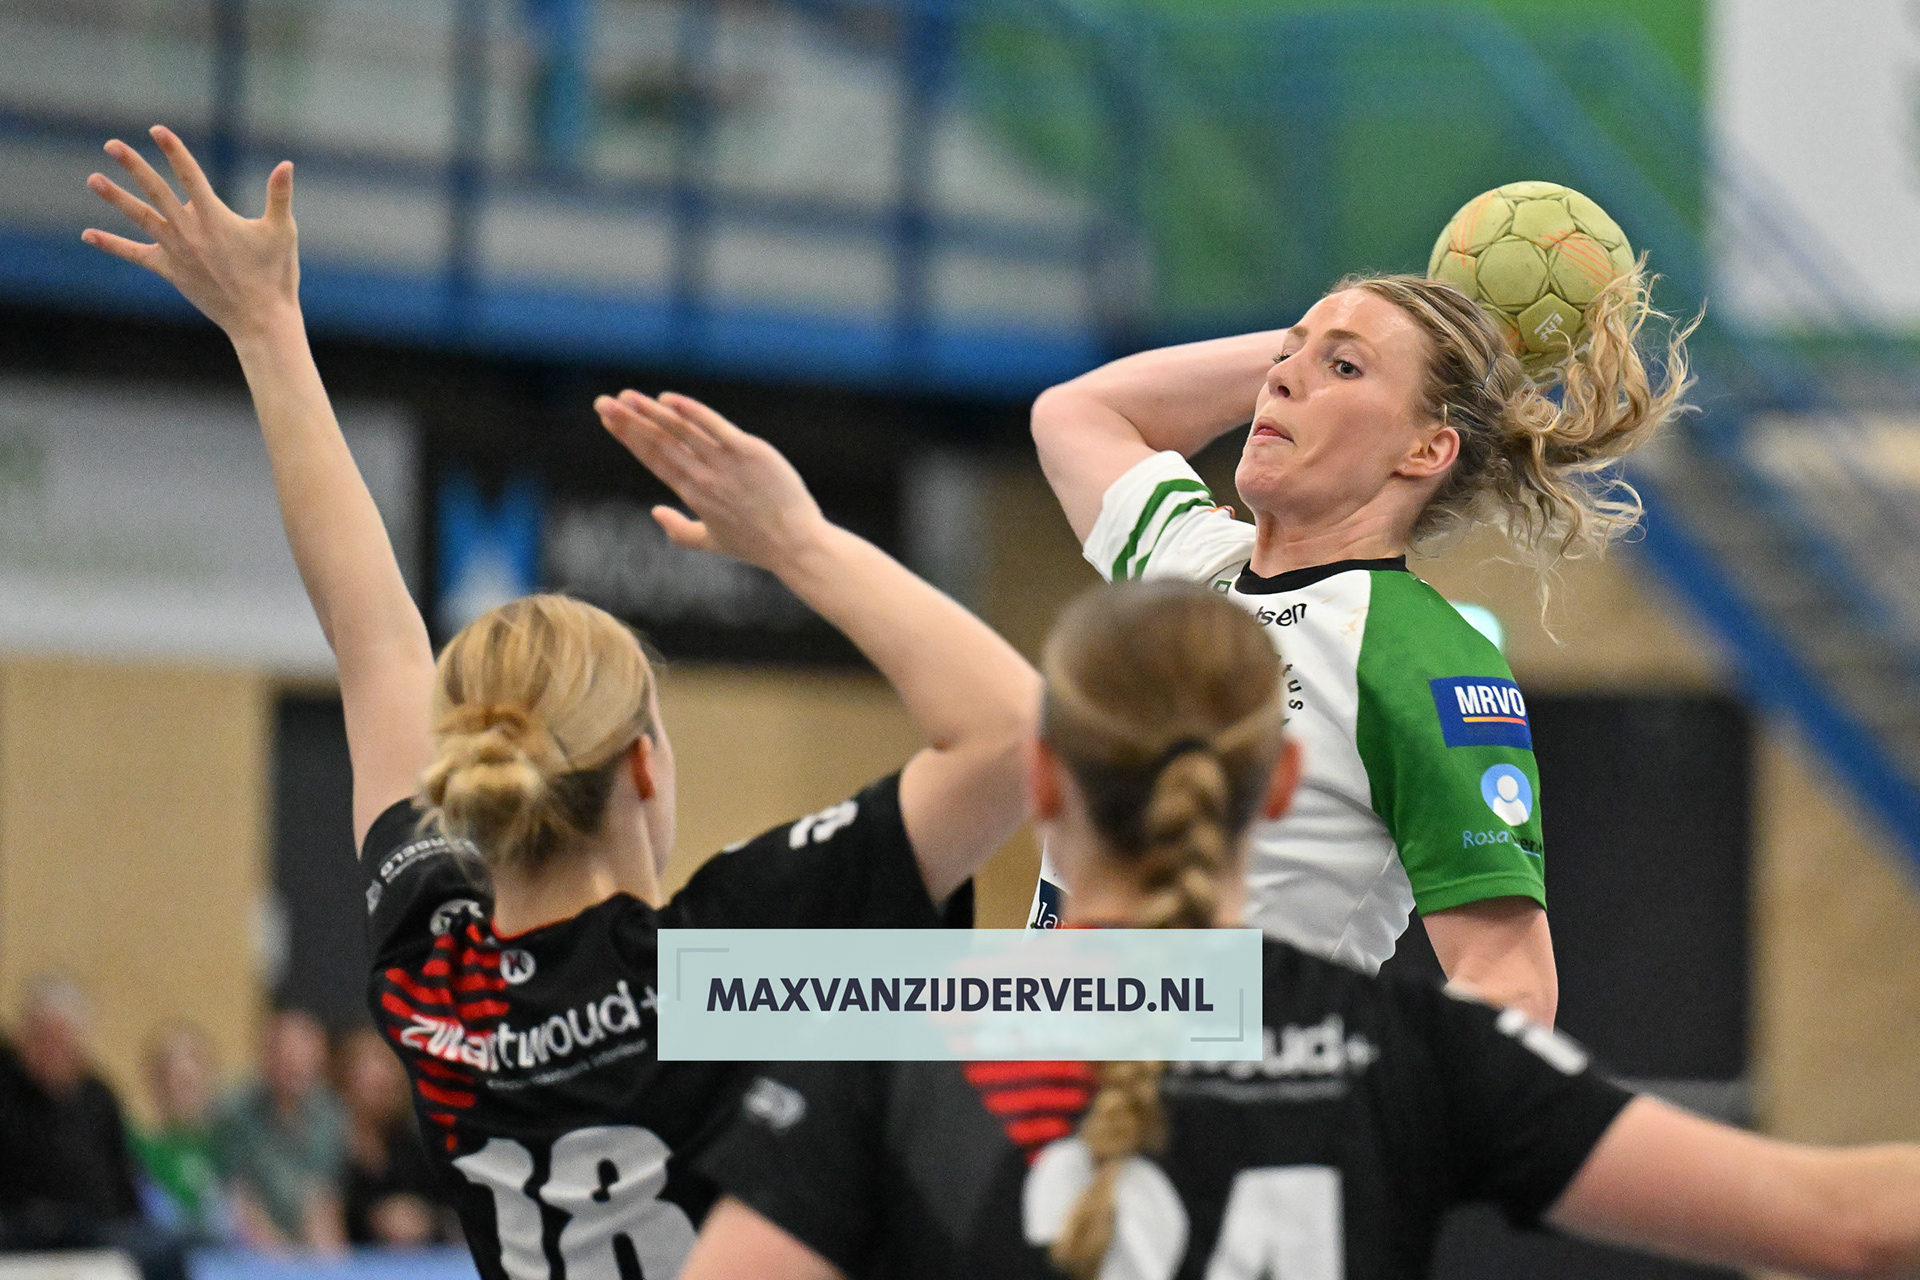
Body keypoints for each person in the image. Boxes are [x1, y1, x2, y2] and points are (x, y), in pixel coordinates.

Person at [83, 126, 1038, 1280]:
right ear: (641, 763)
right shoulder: (721, 970)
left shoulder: (439, 985)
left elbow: (375, 644)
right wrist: (799, 539)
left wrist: (265, 327)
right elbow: (1018, 732)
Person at [679, 580, 1920, 1280]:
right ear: (1277, 785)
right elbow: (1844, 1219)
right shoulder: (1408, 1049)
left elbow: (673, 987)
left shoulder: (888, 1031)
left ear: (1041, 779)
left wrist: (794, 537)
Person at [1023, 271, 1694, 1022]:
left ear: (1426, 448)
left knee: (908, 986)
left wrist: (1353, 1089)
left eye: (1344, 368)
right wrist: (1347, 333)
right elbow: (1075, 413)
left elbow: (1512, 985)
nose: (1279, 379)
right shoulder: (1190, 559)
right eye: (1286, 356)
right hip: (1039, 1034)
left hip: (1217, 1067)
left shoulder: (1422, 654)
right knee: (907, 994)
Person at [0, 975, 187, 1280]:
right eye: (45, 1037)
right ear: (24, 1037)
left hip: (91, 1229)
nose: (55, 1050)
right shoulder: (6, 1089)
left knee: (163, 1250)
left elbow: (123, 1185)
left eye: (65, 1039)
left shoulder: (99, 1098)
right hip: (18, 1225)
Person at [214, 1007, 348, 1252]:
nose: (294, 1063)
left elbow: (322, 1198)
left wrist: (328, 1261)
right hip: (242, 1242)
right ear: (266, 1056)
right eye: (284, 1054)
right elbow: (238, 1197)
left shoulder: (330, 1114)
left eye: (303, 1055)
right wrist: (279, 1257)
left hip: (303, 1241)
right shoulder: (235, 1111)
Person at [336, 1026, 453, 1247]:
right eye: (367, 1080)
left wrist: (423, 1219)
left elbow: (449, 1210)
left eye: (384, 1083)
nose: (378, 1089)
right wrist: (373, 1218)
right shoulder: (329, 1144)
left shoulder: (411, 1146)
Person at [132, 1021, 232, 1242]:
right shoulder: (143, 1151)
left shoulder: (228, 1147)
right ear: (157, 1085)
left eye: (191, 1083)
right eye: (176, 1082)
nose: (186, 1093)